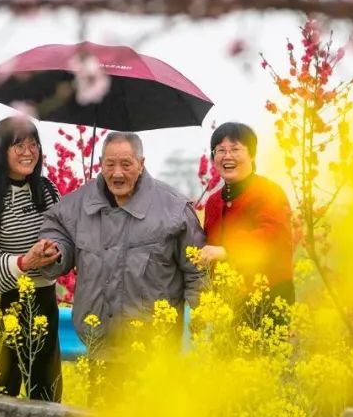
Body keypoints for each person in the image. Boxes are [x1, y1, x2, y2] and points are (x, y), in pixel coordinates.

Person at [38, 131, 205, 349]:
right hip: (97, 342)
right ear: (99, 164)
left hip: (155, 349)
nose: (117, 173)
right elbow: (57, 229)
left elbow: (197, 270)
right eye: (110, 164)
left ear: (141, 163)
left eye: (126, 164)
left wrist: (204, 323)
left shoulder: (174, 209)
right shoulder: (78, 203)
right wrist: (56, 249)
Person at [0, 116, 63, 401]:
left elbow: (63, 239)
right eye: (18, 145)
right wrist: (24, 262)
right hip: (3, 305)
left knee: (45, 392)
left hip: (44, 300)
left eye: (34, 144)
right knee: (0, 391)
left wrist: (58, 252)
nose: (28, 152)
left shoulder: (47, 190)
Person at [198, 122, 295, 309]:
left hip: (268, 300)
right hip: (227, 303)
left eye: (235, 149)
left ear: (251, 154)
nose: (227, 156)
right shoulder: (212, 201)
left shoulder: (269, 191)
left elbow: (274, 236)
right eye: (220, 150)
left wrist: (227, 251)